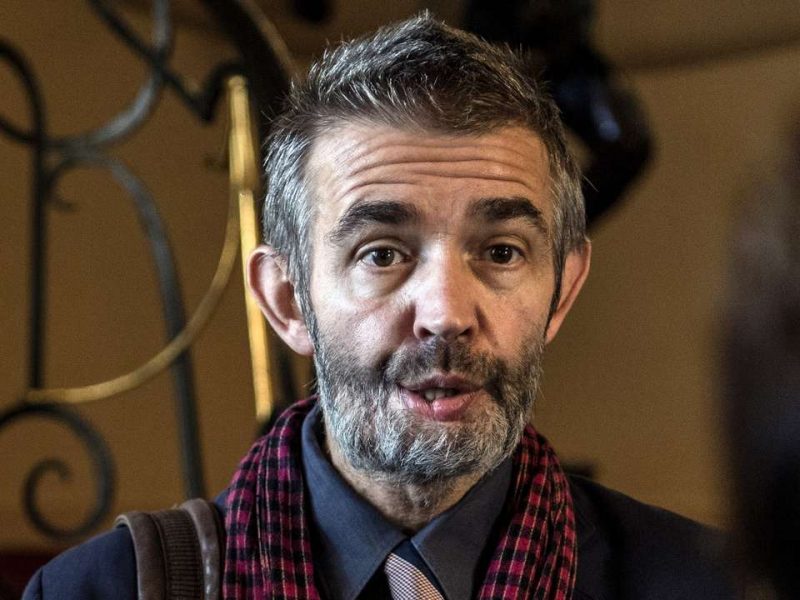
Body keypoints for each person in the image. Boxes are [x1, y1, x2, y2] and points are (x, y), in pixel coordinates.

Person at [25, 14, 734, 600]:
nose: (447, 313)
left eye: (501, 252)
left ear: (561, 291)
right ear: (286, 299)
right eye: (383, 254)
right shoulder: (99, 591)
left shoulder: (709, 586)